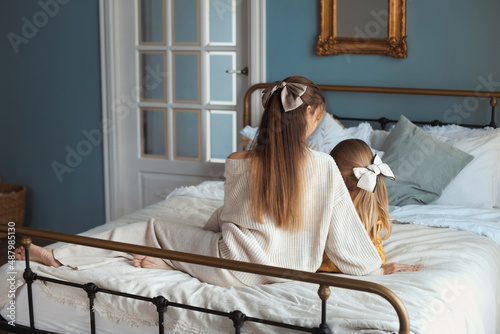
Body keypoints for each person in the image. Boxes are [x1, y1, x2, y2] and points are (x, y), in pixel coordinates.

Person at [15, 76, 383, 286]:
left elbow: (230, 220)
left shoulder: (240, 161)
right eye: (318, 118)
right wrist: (376, 266)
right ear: (310, 117)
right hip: (289, 276)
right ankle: (175, 261)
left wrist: (204, 235)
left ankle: (59, 256)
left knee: (152, 229)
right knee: (185, 238)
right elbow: (348, 245)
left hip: (236, 268)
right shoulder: (325, 167)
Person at [318, 139, 421, 275]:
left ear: (342, 178)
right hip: (367, 263)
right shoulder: (373, 201)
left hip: (324, 266)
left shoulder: (331, 200)